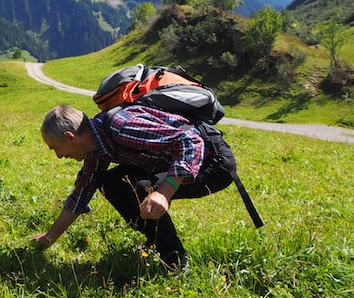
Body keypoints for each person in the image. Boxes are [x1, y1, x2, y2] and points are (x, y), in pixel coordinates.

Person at [32, 103, 236, 271]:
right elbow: (82, 192)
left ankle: (175, 262)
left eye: (55, 148)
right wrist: (49, 238)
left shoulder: (121, 128)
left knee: (142, 189)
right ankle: (155, 240)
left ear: (70, 137)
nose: (58, 156)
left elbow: (190, 140)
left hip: (213, 163)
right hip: (169, 163)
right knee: (110, 182)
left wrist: (164, 192)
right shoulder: (96, 148)